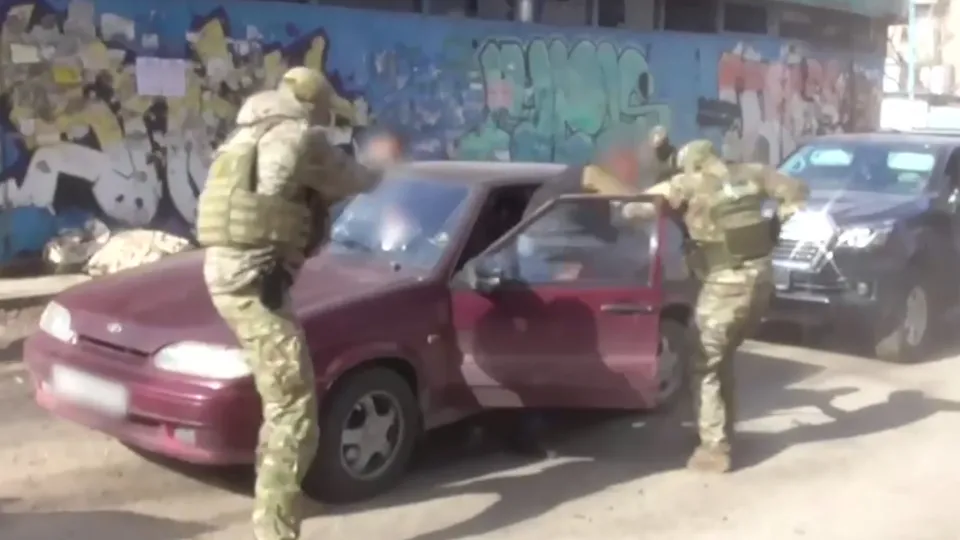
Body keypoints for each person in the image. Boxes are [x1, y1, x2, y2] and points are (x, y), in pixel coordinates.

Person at [195, 66, 395, 540]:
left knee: (281, 404)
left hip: (229, 273)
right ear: (313, 105)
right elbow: (354, 179)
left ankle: (270, 506)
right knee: (295, 413)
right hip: (254, 280)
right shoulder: (300, 139)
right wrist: (381, 161)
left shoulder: (242, 138)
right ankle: (276, 531)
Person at [587, 139, 808, 473]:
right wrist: (776, 224)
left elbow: (635, 210)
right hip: (761, 281)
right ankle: (724, 431)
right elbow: (798, 191)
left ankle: (714, 449)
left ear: (690, 163)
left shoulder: (686, 184)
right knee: (722, 358)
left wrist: (634, 194)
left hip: (725, 286)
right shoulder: (752, 173)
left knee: (704, 363)